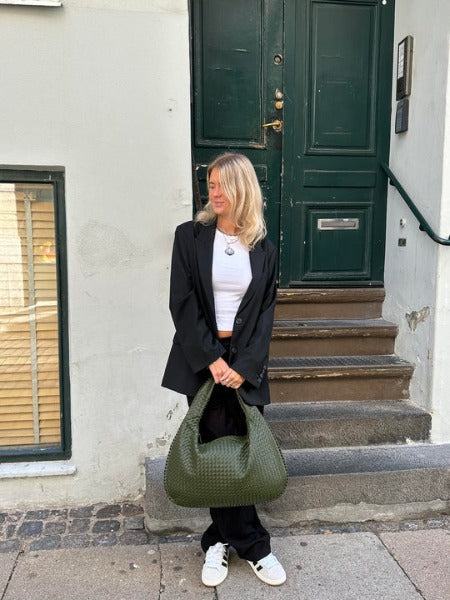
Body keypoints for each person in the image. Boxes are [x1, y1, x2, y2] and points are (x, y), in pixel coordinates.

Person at [161, 152, 286, 587]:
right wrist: (213, 359)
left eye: (222, 186)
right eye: (210, 184)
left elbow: (266, 312)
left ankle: (217, 540)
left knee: (244, 453)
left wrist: (245, 365)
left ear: (242, 190)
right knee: (215, 451)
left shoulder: (264, 248)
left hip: (245, 360)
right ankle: (255, 546)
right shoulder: (190, 236)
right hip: (202, 358)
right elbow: (182, 302)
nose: (213, 193)